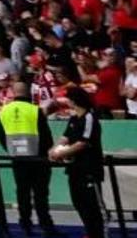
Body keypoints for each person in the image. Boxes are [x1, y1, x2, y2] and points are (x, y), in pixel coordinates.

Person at [47, 86, 108, 238]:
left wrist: (61, 153)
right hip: (74, 168)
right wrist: (54, 149)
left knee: (92, 205)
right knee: (78, 202)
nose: (66, 101)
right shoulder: (74, 119)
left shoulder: (89, 118)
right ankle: (89, 232)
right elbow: (65, 137)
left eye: (68, 98)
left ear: (74, 100)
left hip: (89, 169)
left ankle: (98, 234)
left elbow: (83, 143)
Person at [6, 86, 59, 235]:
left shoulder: (4, 111)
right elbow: (45, 135)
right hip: (38, 158)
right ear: (28, 94)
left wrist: (13, 150)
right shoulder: (35, 110)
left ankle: (25, 223)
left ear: (14, 94)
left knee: (22, 191)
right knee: (40, 193)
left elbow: (2, 136)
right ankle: (45, 224)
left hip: (17, 157)